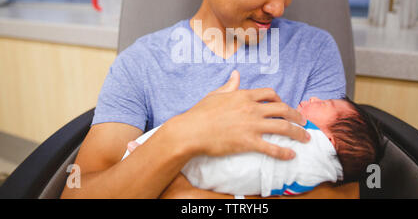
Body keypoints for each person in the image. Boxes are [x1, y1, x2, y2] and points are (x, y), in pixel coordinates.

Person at [60, 0, 354, 199]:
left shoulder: (314, 52)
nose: (278, 7)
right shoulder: (141, 64)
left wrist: (183, 196)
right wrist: (185, 133)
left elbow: (340, 192)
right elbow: (78, 194)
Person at [123, 97, 384, 198]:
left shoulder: (316, 150)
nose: (315, 97)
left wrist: (184, 195)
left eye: (326, 104)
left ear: (331, 142)